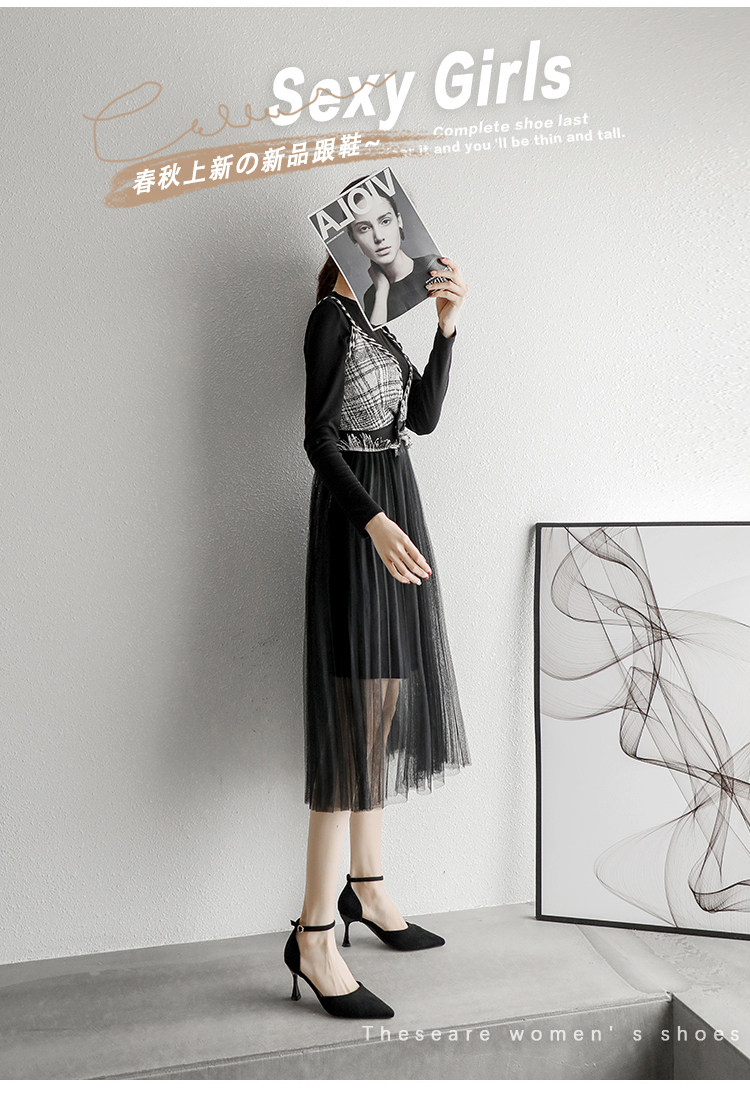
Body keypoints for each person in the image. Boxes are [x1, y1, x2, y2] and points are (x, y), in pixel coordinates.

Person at [283, 181, 471, 1019]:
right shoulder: (331, 318)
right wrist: (374, 521)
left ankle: (368, 886)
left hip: (398, 510)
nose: (381, 237)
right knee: (354, 720)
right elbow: (319, 437)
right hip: (362, 521)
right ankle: (314, 934)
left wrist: (447, 329)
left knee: (384, 703)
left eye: (387, 222)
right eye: (363, 229)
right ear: (344, 245)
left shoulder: (381, 327)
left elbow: (420, 420)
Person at [345, 187, 441, 326]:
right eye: (364, 228)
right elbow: (376, 337)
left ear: (399, 221)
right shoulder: (371, 296)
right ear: (354, 239)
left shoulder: (433, 266)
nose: (378, 237)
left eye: (385, 221)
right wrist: (382, 291)